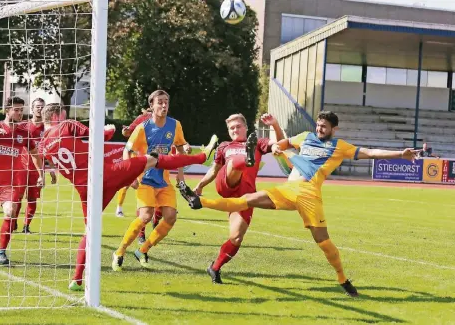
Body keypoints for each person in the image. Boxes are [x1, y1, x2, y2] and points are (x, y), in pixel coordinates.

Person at [180, 111, 420, 297]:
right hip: (287, 189)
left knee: (324, 243)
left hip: (309, 195)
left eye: (324, 126)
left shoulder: (339, 147)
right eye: (317, 124)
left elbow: (369, 152)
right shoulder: (305, 137)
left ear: (333, 129)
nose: (319, 128)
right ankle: (199, 201)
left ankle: (342, 279)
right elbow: (282, 144)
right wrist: (276, 139)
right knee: (247, 200)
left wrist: (400, 154)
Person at [38, 103, 218, 291]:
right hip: (105, 175)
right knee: (154, 159)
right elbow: (100, 136)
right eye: (65, 114)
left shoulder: (43, 145)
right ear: (58, 116)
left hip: (86, 189)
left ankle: (76, 279)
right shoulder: (66, 125)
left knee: (88, 232)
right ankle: (202, 157)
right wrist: (108, 129)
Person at [112, 89, 212, 271]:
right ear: (152, 106)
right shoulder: (143, 128)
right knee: (145, 216)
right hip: (145, 180)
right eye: (160, 102)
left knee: (171, 217)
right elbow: (127, 150)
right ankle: (120, 251)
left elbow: (181, 149)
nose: (164, 105)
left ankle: (143, 250)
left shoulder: (175, 125)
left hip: (164, 181)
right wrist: (129, 175)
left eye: (166, 102)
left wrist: (181, 176)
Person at [193, 113, 284, 283]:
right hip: (226, 184)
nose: (235, 130)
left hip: (246, 195)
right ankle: (245, 160)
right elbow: (214, 170)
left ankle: (215, 267)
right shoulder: (224, 146)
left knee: (236, 238)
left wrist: (275, 125)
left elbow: (279, 145)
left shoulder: (258, 143)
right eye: (231, 128)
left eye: (238, 126)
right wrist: (200, 185)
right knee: (235, 163)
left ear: (246, 127)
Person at [0, 97, 44, 265]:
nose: (19, 113)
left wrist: (41, 174)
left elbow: (35, 154)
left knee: (10, 211)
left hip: (10, 184)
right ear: (7, 111)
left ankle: (1, 253)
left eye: (21, 110)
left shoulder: (24, 132)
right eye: (16, 110)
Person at [16, 98, 56, 234]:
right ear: (32, 109)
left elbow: (50, 149)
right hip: (20, 168)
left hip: (37, 170)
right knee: (17, 197)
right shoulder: (23, 126)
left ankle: (26, 226)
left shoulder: (48, 129)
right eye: (37, 106)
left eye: (42, 107)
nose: (40, 109)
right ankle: (13, 221)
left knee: (32, 199)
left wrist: (51, 169)